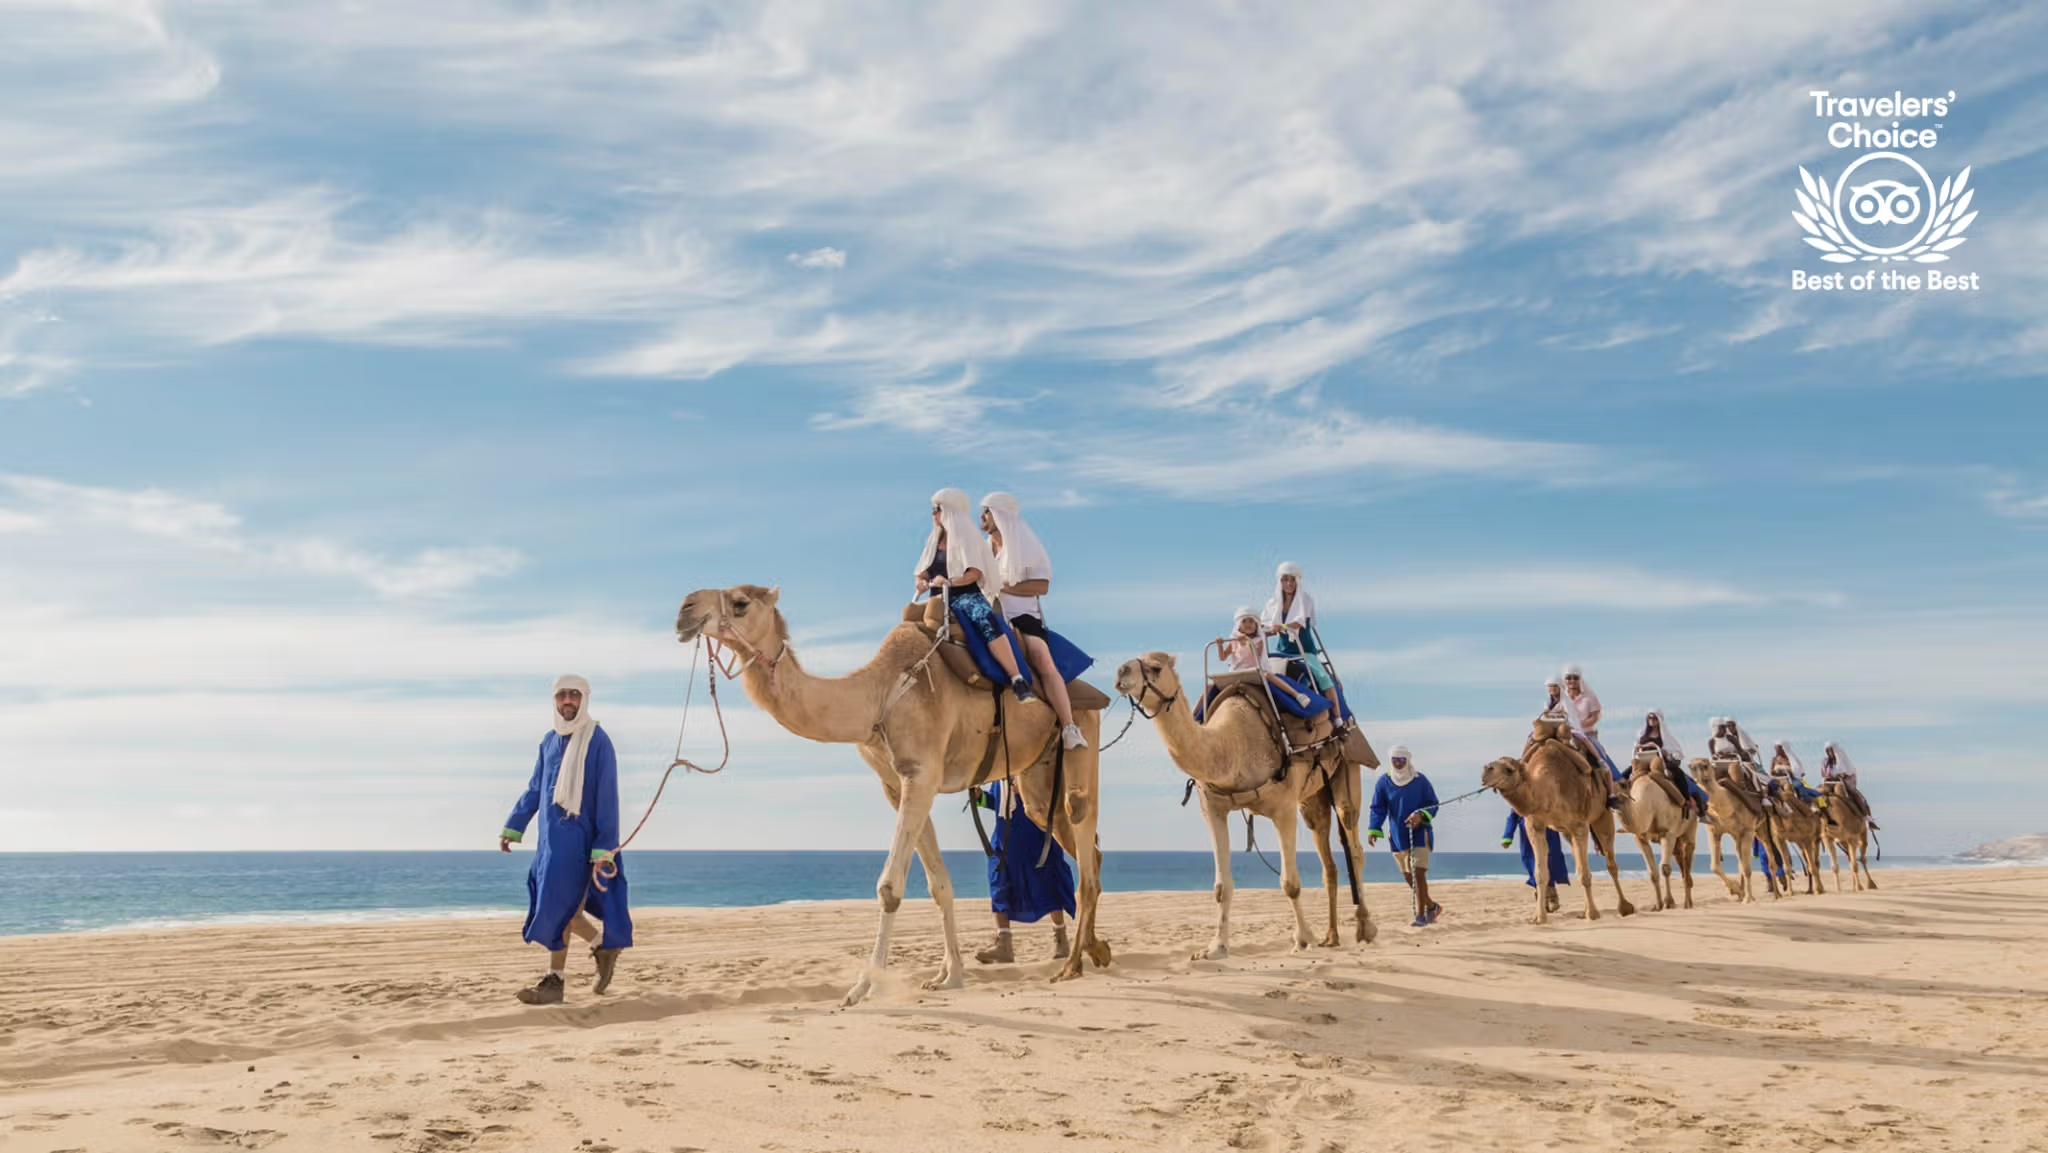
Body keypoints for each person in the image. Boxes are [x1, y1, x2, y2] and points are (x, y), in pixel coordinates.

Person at [499, 674, 632, 1005]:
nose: (568, 701)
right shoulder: (548, 741)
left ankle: (555, 981)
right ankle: (601, 947)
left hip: (581, 842)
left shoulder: (598, 740)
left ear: (584, 699)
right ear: (555, 700)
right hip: (549, 843)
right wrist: (513, 826)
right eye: (562, 695)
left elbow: (608, 796)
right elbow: (535, 788)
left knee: (562, 909)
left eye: (574, 695)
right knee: (564, 910)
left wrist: (604, 846)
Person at [980, 492, 1085, 750]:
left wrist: (1003, 586)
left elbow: (1042, 587)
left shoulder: (1027, 546)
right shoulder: (982, 549)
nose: (982, 517)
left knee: (1041, 657)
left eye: (987, 511)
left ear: (1001, 514)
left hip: (1021, 617)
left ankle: (1069, 727)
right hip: (988, 615)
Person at [916, 488, 1032, 703]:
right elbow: (923, 571)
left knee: (985, 620)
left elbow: (974, 573)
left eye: (937, 509)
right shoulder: (934, 540)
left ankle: (1016, 677)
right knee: (909, 619)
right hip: (937, 598)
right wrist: (921, 582)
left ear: (949, 511)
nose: (933, 514)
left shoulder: (967, 538)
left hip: (964, 596)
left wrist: (949, 582)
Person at [969, 780, 1076, 964]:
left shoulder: (1033, 767)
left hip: (1035, 837)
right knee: (999, 886)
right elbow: (996, 802)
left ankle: (1061, 940)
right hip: (1004, 842)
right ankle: (1004, 946)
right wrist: (980, 797)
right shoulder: (999, 775)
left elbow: (1053, 796)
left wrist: (1027, 790)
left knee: (1047, 884)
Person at [1368, 745, 1441, 926]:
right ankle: (1432, 906)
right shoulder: (1384, 782)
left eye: (1401, 760)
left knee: (1418, 873)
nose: (1398, 763)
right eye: (1395, 760)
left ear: (1407, 760)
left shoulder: (1420, 780)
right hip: (1397, 836)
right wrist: (1374, 828)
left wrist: (1420, 815)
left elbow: (1433, 803)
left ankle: (1421, 916)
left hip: (1420, 834)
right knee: (1409, 877)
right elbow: (1378, 807)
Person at [1263, 562, 1342, 721]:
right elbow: (1266, 625)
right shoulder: (1273, 604)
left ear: (1298, 581)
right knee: (1266, 675)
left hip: (1303, 650)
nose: (1289, 584)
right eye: (1285, 580)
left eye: (1292, 580)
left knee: (1323, 678)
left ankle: (1338, 719)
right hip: (1283, 650)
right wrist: (1264, 630)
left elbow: (1299, 623)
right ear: (1280, 581)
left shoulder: (1305, 600)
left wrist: (1281, 626)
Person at [1222, 606, 1320, 709]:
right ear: (1238, 625)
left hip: (1254, 671)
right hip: (1236, 672)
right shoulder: (1233, 641)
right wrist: (1220, 644)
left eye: (1251, 621)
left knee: (1268, 675)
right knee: (1214, 685)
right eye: (1244, 621)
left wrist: (1247, 642)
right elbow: (1223, 657)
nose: (1248, 624)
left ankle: (1296, 695)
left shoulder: (1258, 640)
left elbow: (1257, 655)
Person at [1558, 664, 1624, 809]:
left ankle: (1613, 790)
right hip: (1565, 734)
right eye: (1568, 678)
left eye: (1575, 678)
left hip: (1586, 733)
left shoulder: (1588, 696)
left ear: (1580, 679)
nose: (1571, 681)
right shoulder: (1561, 698)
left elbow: (1595, 716)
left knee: (1599, 755)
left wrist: (1580, 726)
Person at [1637, 709, 1709, 815]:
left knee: (1678, 774)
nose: (1652, 720)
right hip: (1644, 761)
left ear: (1659, 720)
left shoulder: (1665, 736)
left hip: (1660, 762)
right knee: (1629, 773)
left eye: (1654, 718)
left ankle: (1686, 799)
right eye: (1650, 718)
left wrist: (1665, 752)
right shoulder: (1642, 735)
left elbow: (1675, 750)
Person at [1502, 809, 1568, 909]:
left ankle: (1551, 897)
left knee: (1551, 862)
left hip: (1549, 831)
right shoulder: (1522, 800)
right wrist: (1508, 836)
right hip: (1528, 835)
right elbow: (1513, 816)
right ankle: (1541, 897)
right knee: (1532, 864)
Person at [1821, 742, 1878, 828]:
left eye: (1831, 751)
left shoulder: (1843, 761)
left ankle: (1866, 817)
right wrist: (1830, 777)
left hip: (1843, 783)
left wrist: (1842, 776)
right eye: (1828, 751)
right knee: (1819, 793)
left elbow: (1848, 772)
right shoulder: (1825, 762)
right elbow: (1824, 774)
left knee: (1854, 794)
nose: (1830, 753)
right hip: (1829, 783)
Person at [1768, 739, 1824, 804]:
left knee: (1798, 785)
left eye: (1778, 748)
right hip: (1777, 779)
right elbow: (1771, 771)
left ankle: (1808, 802)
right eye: (1776, 748)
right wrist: (1776, 771)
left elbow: (1796, 770)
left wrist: (1787, 770)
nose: (1776, 750)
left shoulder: (1790, 759)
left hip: (1789, 779)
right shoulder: (1774, 759)